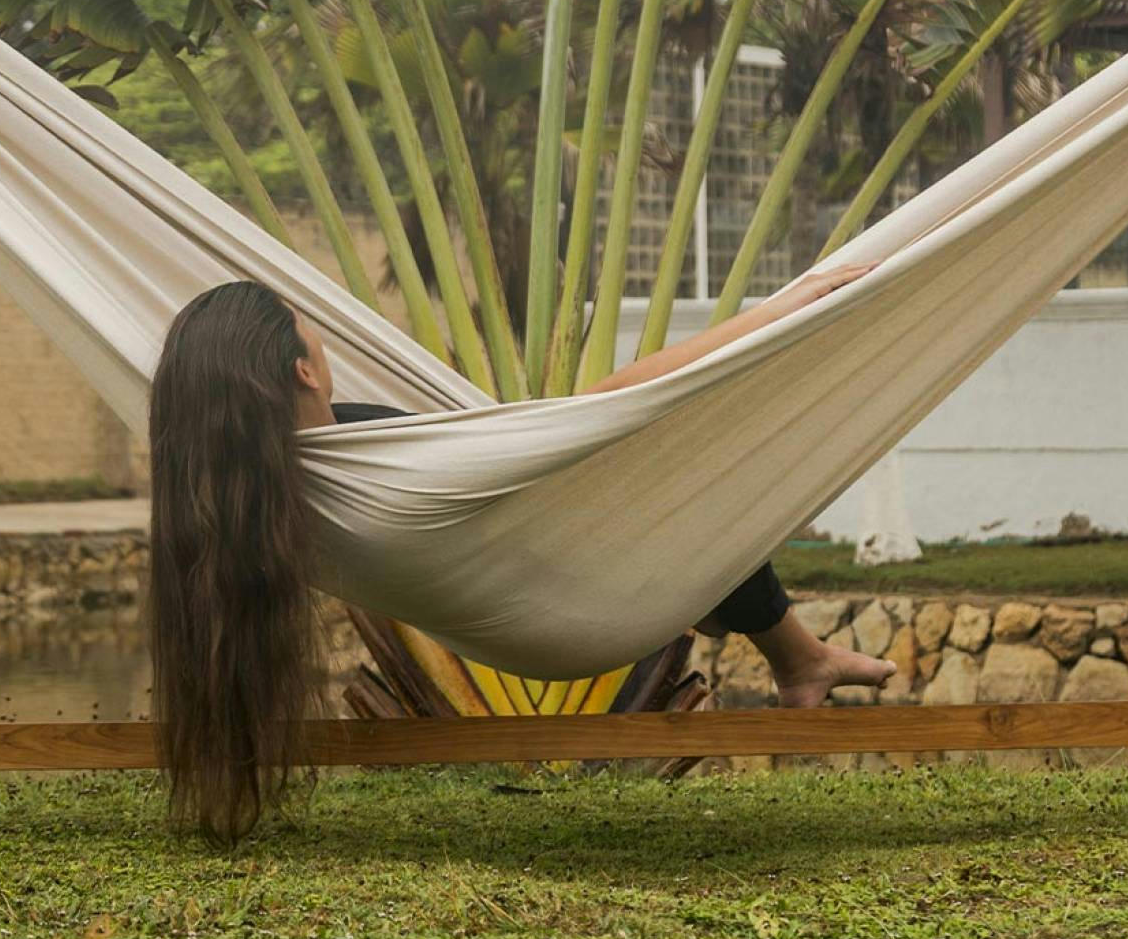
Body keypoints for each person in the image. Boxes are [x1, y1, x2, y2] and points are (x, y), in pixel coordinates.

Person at [149, 263, 895, 839]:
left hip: (530, 579)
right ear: (303, 370)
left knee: (664, 499)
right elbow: (600, 409)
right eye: (306, 328)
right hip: (572, 605)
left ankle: (798, 656)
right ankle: (796, 654)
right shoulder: (383, 473)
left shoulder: (243, 495)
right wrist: (774, 313)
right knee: (680, 473)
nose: (318, 337)